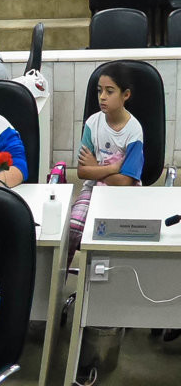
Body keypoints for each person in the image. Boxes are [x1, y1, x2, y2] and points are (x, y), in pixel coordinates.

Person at [67, 64, 143, 263]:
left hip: (124, 194)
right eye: (99, 91)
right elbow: (83, 172)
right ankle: (60, 281)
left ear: (125, 95)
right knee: (73, 228)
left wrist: (96, 167)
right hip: (92, 189)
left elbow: (125, 182)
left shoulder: (134, 131)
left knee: (119, 233)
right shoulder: (92, 123)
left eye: (109, 91)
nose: (102, 96)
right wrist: (111, 168)